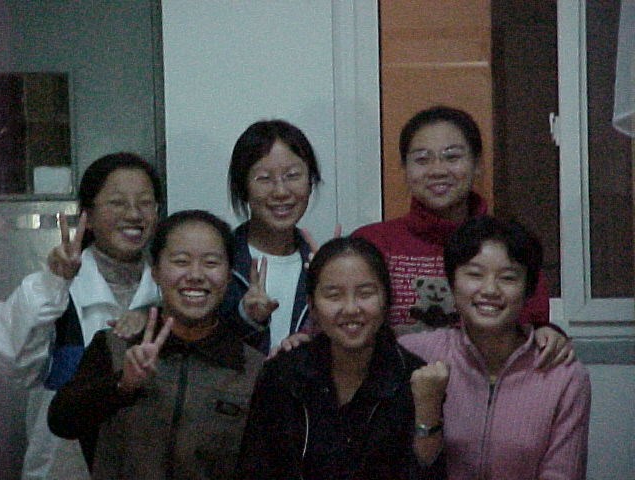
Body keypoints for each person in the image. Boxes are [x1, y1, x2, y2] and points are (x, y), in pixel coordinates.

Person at [48, 209, 264, 479]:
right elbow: (61, 422)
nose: (195, 275)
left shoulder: (252, 368)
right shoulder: (115, 346)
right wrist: (123, 385)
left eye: (211, 263)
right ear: (156, 272)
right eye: (181, 261)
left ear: (229, 275)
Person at [352, 105, 571, 366]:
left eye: (452, 157)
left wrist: (549, 333)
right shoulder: (371, 243)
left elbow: (530, 330)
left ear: (477, 164)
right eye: (422, 159)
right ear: (405, 169)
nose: (438, 170)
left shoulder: (509, 246)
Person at [0, 152, 162, 479]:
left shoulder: (169, 290)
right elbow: (13, 362)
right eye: (117, 202)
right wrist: (54, 284)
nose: (133, 214)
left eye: (145, 203)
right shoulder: (54, 291)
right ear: (88, 214)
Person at [237, 236, 447, 479]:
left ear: (386, 300)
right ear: (312, 305)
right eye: (333, 295)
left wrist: (428, 411)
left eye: (365, 293)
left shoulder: (414, 380)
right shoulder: (283, 375)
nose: (350, 309)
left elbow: (427, 472)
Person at [399, 215, 591, 480]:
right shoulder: (413, 355)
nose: (490, 289)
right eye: (475, 274)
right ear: (452, 283)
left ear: (528, 289)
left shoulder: (564, 376)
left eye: (508, 278)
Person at [221, 119, 323, 354]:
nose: (281, 191)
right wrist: (245, 317)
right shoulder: (220, 262)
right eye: (264, 178)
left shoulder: (321, 266)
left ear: (310, 181)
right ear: (243, 188)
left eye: (292, 175)